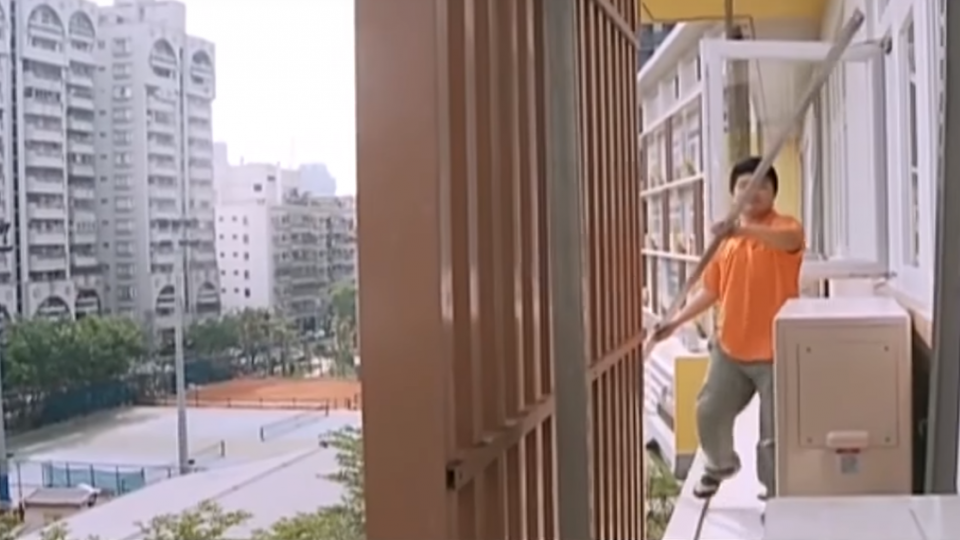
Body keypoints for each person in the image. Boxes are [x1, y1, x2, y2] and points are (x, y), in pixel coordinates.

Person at [651, 156, 804, 500]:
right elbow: (710, 291)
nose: (753, 192)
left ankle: (776, 495)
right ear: (733, 193)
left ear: (774, 192)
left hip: (776, 351)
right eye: (744, 186)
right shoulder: (726, 244)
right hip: (731, 349)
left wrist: (742, 229)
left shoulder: (783, 228)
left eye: (761, 185)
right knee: (709, 410)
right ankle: (720, 465)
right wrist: (675, 322)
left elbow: (790, 239)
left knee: (773, 434)